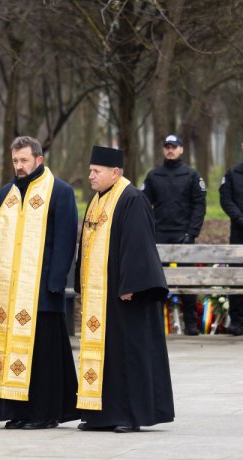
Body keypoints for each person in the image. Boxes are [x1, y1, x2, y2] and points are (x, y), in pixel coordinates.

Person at [75, 146, 174, 432]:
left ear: (115, 172)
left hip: (125, 294)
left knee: (127, 355)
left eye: (96, 171)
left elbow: (138, 244)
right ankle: (100, 414)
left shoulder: (131, 198)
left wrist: (132, 284)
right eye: (90, 170)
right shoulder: (97, 201)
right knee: (105, 355)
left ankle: (129, 415)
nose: (90, 175)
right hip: (99, 295)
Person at [0, 136, 79, 430]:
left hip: (42, 288)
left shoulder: (59, 191)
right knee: (12, 351)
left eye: (24, 160)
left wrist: (55, 284)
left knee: (43, 355)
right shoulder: (7, 192)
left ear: (39, 160)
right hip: (10, 290)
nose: (19, 166)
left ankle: (45, 412)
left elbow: (65, 241)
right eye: (15, 161)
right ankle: (20, 411)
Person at [142, 134, 206, 335]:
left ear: (181, 150)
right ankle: (156, 325)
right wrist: (148, 231)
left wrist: (191, 232)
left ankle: (191, 325)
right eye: (167, 147)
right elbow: (143, 205)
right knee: (156, 282)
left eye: (174, 147)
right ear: (163, 150)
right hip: (159, 236)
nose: (170, 150)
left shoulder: (192, 175)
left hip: (183, 236)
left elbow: (199, 206)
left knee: (188, 280)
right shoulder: (153, 176)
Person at [218, 141, 243, 336]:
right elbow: (225, 198)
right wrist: (239, 217)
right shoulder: (232, 174)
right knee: (237, 277)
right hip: (239, 231)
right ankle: (237, 320)